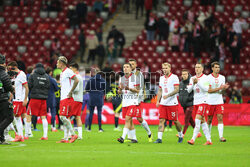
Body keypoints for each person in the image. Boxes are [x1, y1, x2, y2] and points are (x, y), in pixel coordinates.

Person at [154, 63, 183, 143]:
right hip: (163, 103)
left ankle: (180, 135)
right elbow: (160, 90)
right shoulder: (161, 78)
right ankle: (159, 138)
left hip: (172, 103)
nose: (164, 70)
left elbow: (177, 89)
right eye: (163, 68)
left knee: (175, 121)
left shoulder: (174, 77)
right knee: (161, 120)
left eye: (166, 68)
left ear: (170, 68)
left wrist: (168, 95)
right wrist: (157, 101)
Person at [187, 63, 212, 145]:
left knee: (197, 120)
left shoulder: (206, 78)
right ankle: (209, 140)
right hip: (196, 102)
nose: (197, 68)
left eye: (198, 67)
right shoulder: (192, 78)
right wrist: (194, 83)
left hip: (203, 102)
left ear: (202, 69)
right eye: (195, 67)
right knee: (202, 122)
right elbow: (189, 90)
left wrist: (198, 83)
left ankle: (192, 139)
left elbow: (206, 89)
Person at [56, 56, 79, 143]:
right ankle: (65, 138)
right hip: (63, 98)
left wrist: (71, 91)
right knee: (65, 117)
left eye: (58, 62)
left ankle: (73, 134)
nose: (57, 64)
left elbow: (76, 80)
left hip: (67, 98)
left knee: (62, 116)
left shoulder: (68, 71)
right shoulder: (62, 73)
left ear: (62, 63)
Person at [129, 59, 152, 142]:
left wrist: (138, 99)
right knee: (129, 118)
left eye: (132, 64)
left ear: (136, 65)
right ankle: (132, 137)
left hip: (137, 100)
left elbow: (141, 88)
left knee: (139, 119)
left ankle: (149, 133)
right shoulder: (127, 74)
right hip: (129, 100)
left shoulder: (139, 74)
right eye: (130, 64)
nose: (131, 65)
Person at [117, 63, 140, 143]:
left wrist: (129, 88)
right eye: (124, 67)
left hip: (132, 101)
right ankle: (134, 138)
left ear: (131, 69)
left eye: (127, 67)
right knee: (129, 121)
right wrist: (119, 91)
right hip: (125, 102)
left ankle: (122, 137)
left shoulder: (135, 78)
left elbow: (138, 90)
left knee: (127, 119)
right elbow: (120, 91)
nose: (125, 68)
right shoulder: (121, 79)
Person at [26, 63, 50, 140]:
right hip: (43, 99)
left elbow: (29, 86)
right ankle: (45, 135)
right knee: (43, 116)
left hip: (34, 98)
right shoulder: (47, 76)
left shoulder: (32, 75)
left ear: (35, 68)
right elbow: (48, 86)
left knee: (29, 115)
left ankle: (26, 134)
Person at [207, 62, 229, 142]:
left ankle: (221, 137)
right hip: (210, 101)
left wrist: (224, 89)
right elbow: (208, 90)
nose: (217, 69)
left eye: (218, 67)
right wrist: (220, 88)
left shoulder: (222, 77)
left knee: (220, 118)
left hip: (219, 101)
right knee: (209, 119)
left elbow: (221, 92)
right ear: (212, 68)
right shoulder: (208, 78)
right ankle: (208, 137)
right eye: (216, 67)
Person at [7, 61, 29, 142]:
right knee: (19, 118)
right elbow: (16, 88)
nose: (9, 70)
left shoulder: (21, 75)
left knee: (12, 117)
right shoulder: (16, 76)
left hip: (19, 100)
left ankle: (19, 135)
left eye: (10, 68)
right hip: (17, 99)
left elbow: (26, 87)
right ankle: (22, 136)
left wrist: (25, 99)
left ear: (14, 67)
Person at [179, 69, 202, 137]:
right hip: (184, 104)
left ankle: (182, 134)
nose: (184, 76)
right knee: (190, 120)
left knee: (186, 119)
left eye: (185, 74)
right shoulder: (181, 83)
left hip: (190, 103)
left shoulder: (191, 82)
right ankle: (198, 133)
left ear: (188, 74)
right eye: (183, 74)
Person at [85, 68, 106, 132]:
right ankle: (100, 128)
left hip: (92, 98)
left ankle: (89, 128)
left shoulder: (90, 80)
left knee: (91, 113)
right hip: (99, 98)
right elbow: (105, 90)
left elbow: (86, 89)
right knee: (99, 113)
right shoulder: (103, 80)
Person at [0, 54, 14, 145]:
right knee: (9, 117)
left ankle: (1, 139)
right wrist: (12, 88)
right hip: (2, 99)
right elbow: (8, 87)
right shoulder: (3, 73)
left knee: (1, 119)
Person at [69, 63, 83, 140]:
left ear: (75, 68)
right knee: (77, 117)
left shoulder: (76, 77)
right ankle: (80, 135)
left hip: (75, 99)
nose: (70, 70)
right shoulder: (80, 76)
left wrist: (70, 91)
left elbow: (76, 89)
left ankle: (69, 134)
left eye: (71, 68)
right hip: (79, 99)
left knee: (68, 116)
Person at [46, 67, 59, 132]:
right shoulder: (52, 80)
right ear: (50, 72)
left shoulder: (44, 79)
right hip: (51, 97)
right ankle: (53, 127)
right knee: (53, 112)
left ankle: (45, 127)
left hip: (44, 97)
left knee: (44, 113)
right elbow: (57, 89)